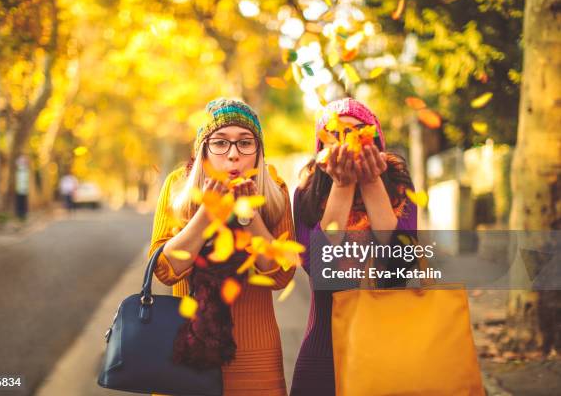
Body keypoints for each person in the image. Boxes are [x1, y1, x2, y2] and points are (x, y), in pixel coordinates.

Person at [148, 98, 297, 395]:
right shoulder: (178, 186)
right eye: (220, 143)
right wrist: (206, 216)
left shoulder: (275, 189)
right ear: (203, 150)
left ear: (258, 152)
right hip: (187, 350)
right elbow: (165, 271)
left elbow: (280, 275)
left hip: (256, 357)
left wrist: (250, 217)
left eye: (245, 143)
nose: (233, 155)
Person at [290, 98, 418, 396]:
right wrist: (342, 186)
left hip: (387, 347)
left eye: (359, 133)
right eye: (337, 135)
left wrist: (372, 184)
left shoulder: (399, 189)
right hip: (324, 349)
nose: (349, 144)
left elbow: (402, 265)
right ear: (322, 150)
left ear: (376, 141)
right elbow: (319, 268)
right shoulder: (306, 194)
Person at [15, 155, 29, 220]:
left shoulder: (25, 170)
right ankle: (20, 214)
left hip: (23, 189)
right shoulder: (20, 170)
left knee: (22, 202)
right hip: (19, 189)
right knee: (20, 202)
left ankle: (22, 214)